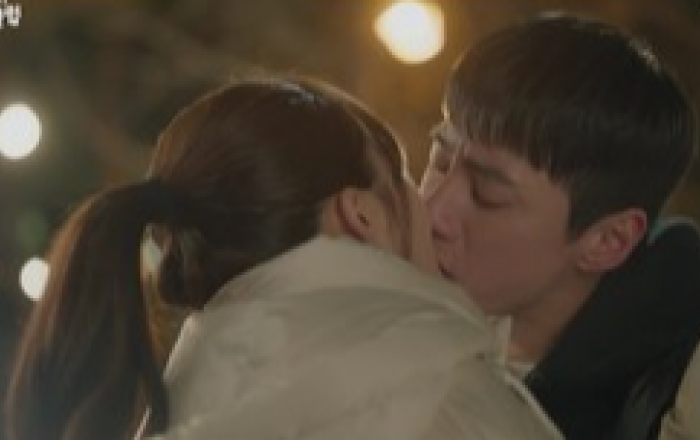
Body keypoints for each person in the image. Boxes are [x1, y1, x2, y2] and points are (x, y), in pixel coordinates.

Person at [4, 77, 560, 440]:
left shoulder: (182, 410)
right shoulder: (441, 399)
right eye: (408, 178)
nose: (434, 210)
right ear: (360, 215)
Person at [421, 13, 700, 440]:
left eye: (486, 193)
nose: (432, 210)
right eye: (440, 162)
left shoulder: (676, 397)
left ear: (608, 240)